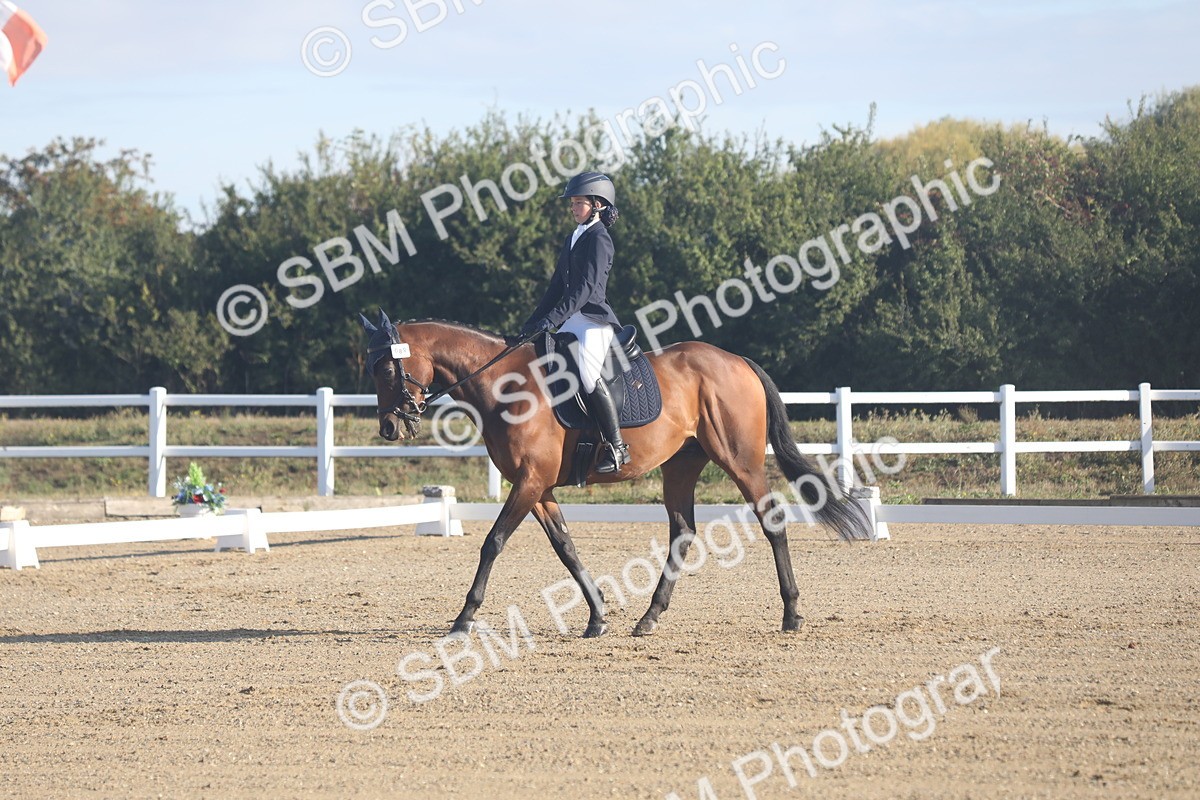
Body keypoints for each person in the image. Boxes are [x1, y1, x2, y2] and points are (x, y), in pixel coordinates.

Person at [517, 171, 630, 474]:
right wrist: (533, 323)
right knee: (542, 362)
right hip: (571, 318)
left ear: (597, 205)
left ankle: (617, 446)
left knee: (590, 375)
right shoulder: (574, 237)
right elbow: (557, 287)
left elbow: (584, 290)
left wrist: (553, 319)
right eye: (572, 203)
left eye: (578, 203)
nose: (572, 207)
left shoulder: (599, 239)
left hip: (593, 320)